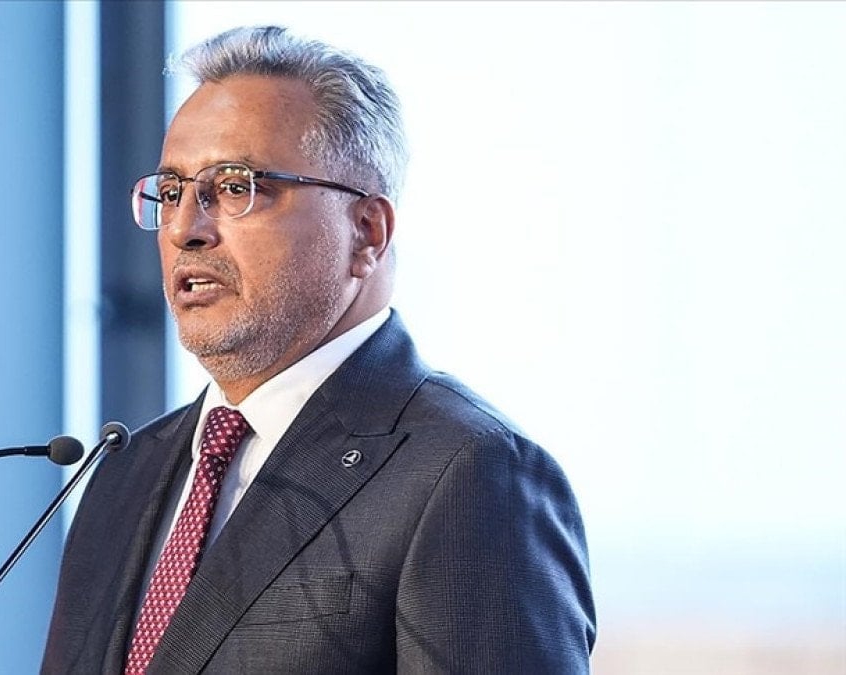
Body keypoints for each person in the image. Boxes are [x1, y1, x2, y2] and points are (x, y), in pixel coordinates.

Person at [42, 25, 595, 674]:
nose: (187, 229)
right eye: (171, 193)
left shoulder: (471, 472)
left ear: (366, 231)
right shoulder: (125, 471)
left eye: (235, 186)